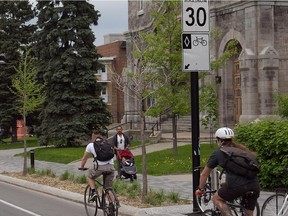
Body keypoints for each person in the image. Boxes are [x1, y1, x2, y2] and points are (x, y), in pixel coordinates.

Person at [195, 127, 260, 216]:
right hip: (254, 184)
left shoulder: (219, 153)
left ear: (219, 140)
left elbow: (204, 174)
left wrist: (200, 189)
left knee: (217, 199)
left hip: (237, 185)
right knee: (249, 213)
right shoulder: (242, 150)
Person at [80, 130, 115, 201]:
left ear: (93, 137)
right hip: (111, 167)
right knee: (108, 188)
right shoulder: (107, 143)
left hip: (99, 167)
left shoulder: (90, 145)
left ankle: (94, 192)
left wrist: (82, 166)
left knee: (90, 176)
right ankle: (113, 205)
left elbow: (84, 158)